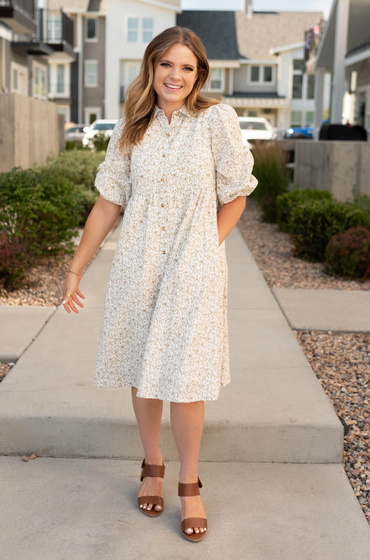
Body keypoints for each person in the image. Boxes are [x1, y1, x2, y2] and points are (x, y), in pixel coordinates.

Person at [61, 26, 258, 543]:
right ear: (151, 67)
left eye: (187, 67)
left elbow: (236, 192)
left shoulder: (217, 120)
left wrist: (207, 245)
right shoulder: (132, 128)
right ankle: (153, 463)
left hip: (195, 265)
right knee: (142, 365)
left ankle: (189, 483)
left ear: (199, 75)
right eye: (167, 64)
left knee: (187, 375)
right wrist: (76, 266)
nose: (176, 75)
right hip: (138, 264)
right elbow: (109, 203)